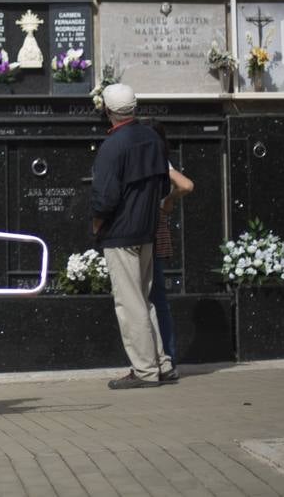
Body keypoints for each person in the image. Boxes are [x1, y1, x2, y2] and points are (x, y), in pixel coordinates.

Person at [90, 84, 176, 389]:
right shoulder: (152, 138)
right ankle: (162, 364)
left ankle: (144, 371)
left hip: (121, 233)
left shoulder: (112, 146)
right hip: (147, 229)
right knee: (144, 299)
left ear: (108, 111)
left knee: (130, 304)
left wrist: (98, 224)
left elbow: (105, 198)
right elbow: (165, 187)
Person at [146, 124, 194, 374]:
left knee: (152, 298)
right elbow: (184, 187)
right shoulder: (162, 161)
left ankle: (162, 360)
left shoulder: (156, 163)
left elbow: (186, 185)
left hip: (146, 230)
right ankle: (167, 360)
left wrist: (168, 201)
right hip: (157, 228)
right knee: (158, 298)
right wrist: (169, 201)